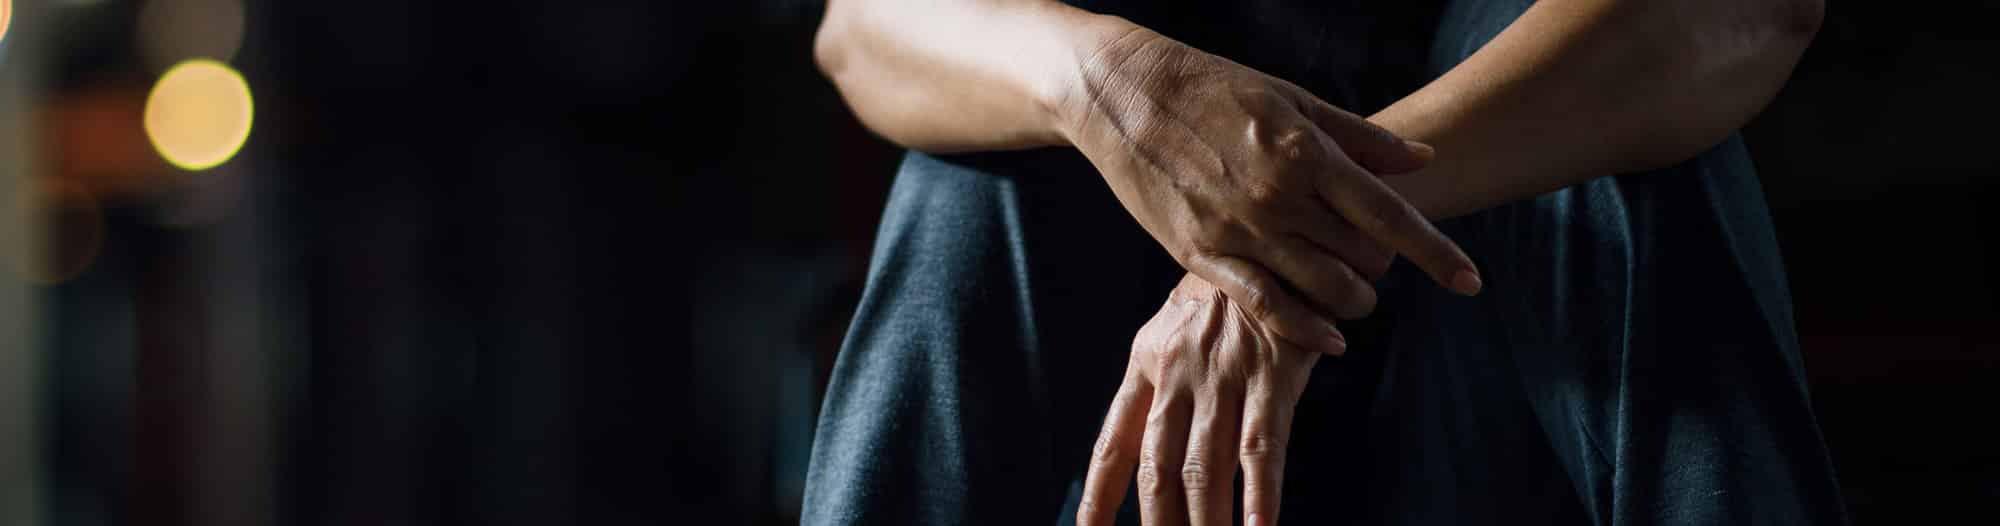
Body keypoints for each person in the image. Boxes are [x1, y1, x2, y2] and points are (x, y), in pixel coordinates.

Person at [803, 0, 1845, 524]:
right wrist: (1108, 83)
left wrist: (1275, 233)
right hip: (1150, 446)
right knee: (979, 167)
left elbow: (1745, 8)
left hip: (1509, 418)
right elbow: (859, 28)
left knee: (1619, 144)